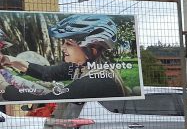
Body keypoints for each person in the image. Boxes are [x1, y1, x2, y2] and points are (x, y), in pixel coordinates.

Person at [0, 14, 128, 101]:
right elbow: (46, 73)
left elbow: (47, 100)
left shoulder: (95, 82)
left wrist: (3, 85)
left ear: (92, 49)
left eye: (69, 44)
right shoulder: (82, 67)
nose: (62, 48)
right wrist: (10, 60)